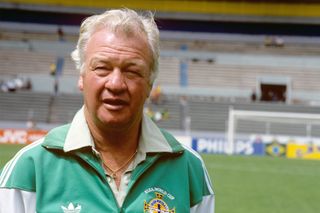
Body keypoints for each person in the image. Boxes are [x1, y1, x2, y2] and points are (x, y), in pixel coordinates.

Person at [0, 9, 214, 212]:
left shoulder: (189, 169)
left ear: (150, 83)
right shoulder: (29, 168)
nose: (116, 84)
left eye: (132, 71)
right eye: (102, 68)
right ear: (81, 77)